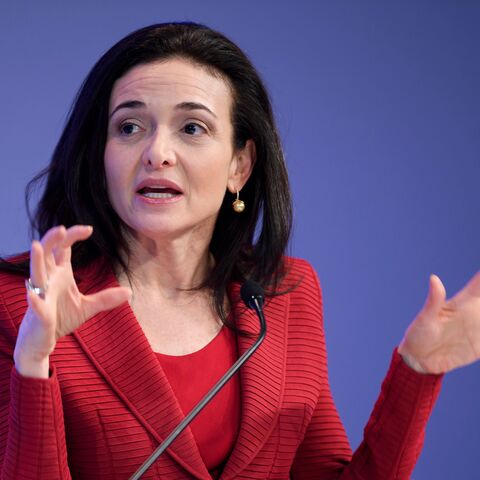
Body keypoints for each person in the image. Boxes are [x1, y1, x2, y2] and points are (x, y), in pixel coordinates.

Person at [0, 22, 478, 480]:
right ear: (100, 155)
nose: (157, 152)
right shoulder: (21, 302)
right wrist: (35, 359)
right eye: (129, 127)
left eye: (191, 128)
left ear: (240, 165)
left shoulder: (285, 292)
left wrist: (418, 369)